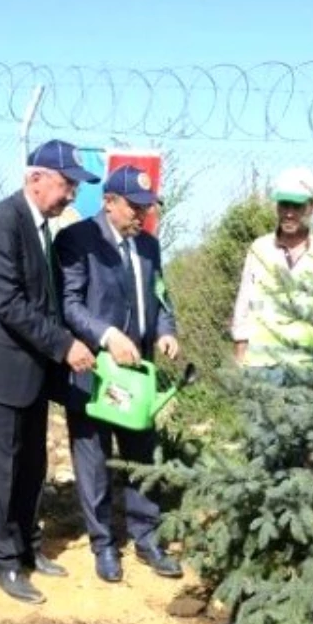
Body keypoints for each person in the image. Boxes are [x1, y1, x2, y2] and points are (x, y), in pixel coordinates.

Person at [0, 138, 98, 605]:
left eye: (75, 187)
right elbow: (9, 302)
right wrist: (64, 345)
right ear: (35, 179)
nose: (71, 195)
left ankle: (29, 550)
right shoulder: (3, 221)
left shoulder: (41, 226)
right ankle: (2, 562)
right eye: (66, 185)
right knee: (3, 471)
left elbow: (45, 301)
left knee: (32, 466)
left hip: (29, 370)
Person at [55, 165, 183, 583]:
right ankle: (104, 544)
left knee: (140, 455)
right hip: (93, 370)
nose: (142, 216)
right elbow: (70, 304)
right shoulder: (76, 241)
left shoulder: (148, 245)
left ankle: (147, 539)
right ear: (109, 202)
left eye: (147, 208)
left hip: (137, 375)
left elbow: (161, 297)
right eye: (134, 207)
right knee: (92, 458)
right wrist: (107, 336)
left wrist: (165, 333)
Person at [230, 167, 313, 374]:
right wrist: (240, 355)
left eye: (297, 206)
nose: (289, 213)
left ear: (312, 207)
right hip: (260, 365)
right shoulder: (259, 249)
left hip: (307, 367)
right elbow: (244, 303)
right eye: (284, 205)